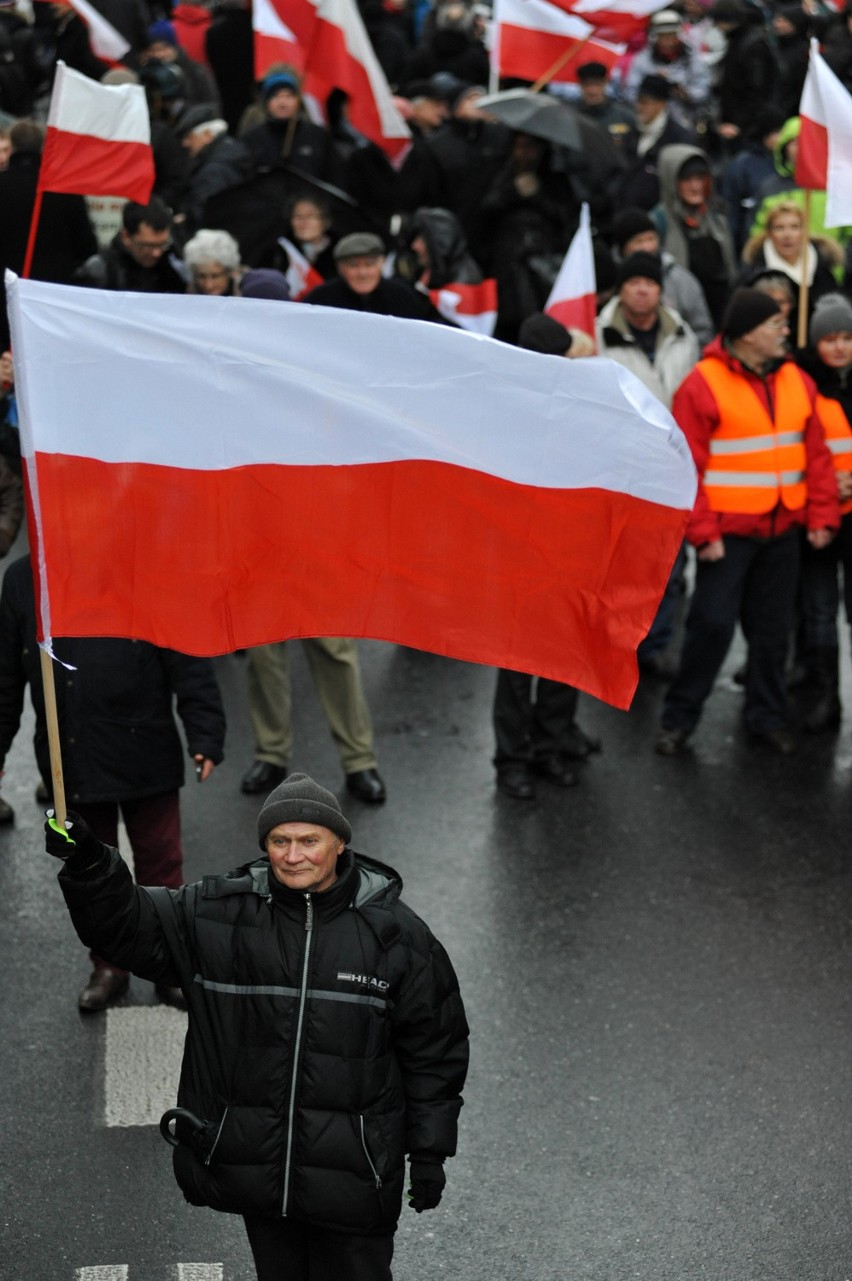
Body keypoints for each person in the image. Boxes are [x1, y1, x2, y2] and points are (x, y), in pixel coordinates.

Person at [46, 772, 469, 1280]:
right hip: (261, 1175)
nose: (293, 856)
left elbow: (434, 1052)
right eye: (279, 841)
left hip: (357, 1178)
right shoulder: (218, 913)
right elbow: (129, 926)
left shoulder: (399, 938)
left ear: (339, 842)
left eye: (309, 840)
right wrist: (90, 863)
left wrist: (429, 1152)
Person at [0, 555, 226, 1009]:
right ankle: (108, 966)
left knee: (162, 865)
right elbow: (5, 676)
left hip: (147, 750)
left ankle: (172, 966)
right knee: (91, 873)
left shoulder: (149, 567)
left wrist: (205, 732)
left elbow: (185, 656)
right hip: (73, 757)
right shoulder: (27, 577)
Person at [656, 288, 840, 756]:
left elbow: (815, 455)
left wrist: (821, 514)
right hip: (728, 537)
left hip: (783, 533)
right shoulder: (703, 384)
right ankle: (679, 720)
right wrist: (702, 533)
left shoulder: (796, 379)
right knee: (711, 628)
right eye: (775, 325)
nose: (785, 332)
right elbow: (684, 468)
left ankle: (767, 717)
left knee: (773, 633)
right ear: (746, 335)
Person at [492, 311, 600, 800]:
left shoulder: (582, 406)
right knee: (517, 664)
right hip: (520, 555)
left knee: (562, 657)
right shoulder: (505, 412)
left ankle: (549, 745)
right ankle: (513, 757)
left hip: (569, 551)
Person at [596, 252, 699, 675]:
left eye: (650, 283)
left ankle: (653, 646)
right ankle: (617, 642)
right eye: (634, 282)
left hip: (671, 467)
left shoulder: (683, 335)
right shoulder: (598, 336)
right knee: (624, 565)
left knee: (667, 564)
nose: (642, 290)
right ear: (620, 289)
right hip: (622, 467)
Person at [795, 293, 852, 731]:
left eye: (847, 337)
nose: (839, 347)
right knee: (819, 611)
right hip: (819, 517)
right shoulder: (802, 387)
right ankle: (825, 695)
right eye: (830, 338)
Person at [651, 144, 737, 327]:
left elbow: (731, 271)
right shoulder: (658, 221)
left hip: (720, 312)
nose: (695, 186)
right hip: (680, 315)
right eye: (687, 179)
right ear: (671, 181)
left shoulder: (717, 218)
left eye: (700, 178)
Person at [608, 205, 714, 347]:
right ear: (623, 247)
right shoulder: (608, 278)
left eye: (651, 239)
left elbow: (703, 330)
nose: (648, 247)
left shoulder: (681, 279)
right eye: (639, 241)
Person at [741, 199, 843, 343]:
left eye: (794, 227)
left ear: (804, 231)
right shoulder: (753, 277)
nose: (787, 235)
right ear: (769, 233)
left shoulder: (823, 271)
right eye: (779, 228)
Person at [303, 232, 436, 319]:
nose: (363, 273)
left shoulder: (403, 297)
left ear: (382, 264)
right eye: (353, 265)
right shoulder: (320, 300)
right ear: (340, 268)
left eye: (369, 264)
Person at [74, 197, 188, 294]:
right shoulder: (101, 271)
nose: (156, 253)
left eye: (162, 244)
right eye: (147, 246)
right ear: (126, 236)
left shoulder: (173, 267)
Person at [176, 103, 253, 234]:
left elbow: (205, 217)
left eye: (189, 137)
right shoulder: (234, 152)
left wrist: (187, 220)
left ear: (207, 135)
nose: (185, 143)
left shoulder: (212, 173)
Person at [183, 227, 243, 294]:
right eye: (201, 276)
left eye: (215, 276)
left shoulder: (247, 291)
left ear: (229, 272)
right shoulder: (189, 294)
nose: (208, 286)